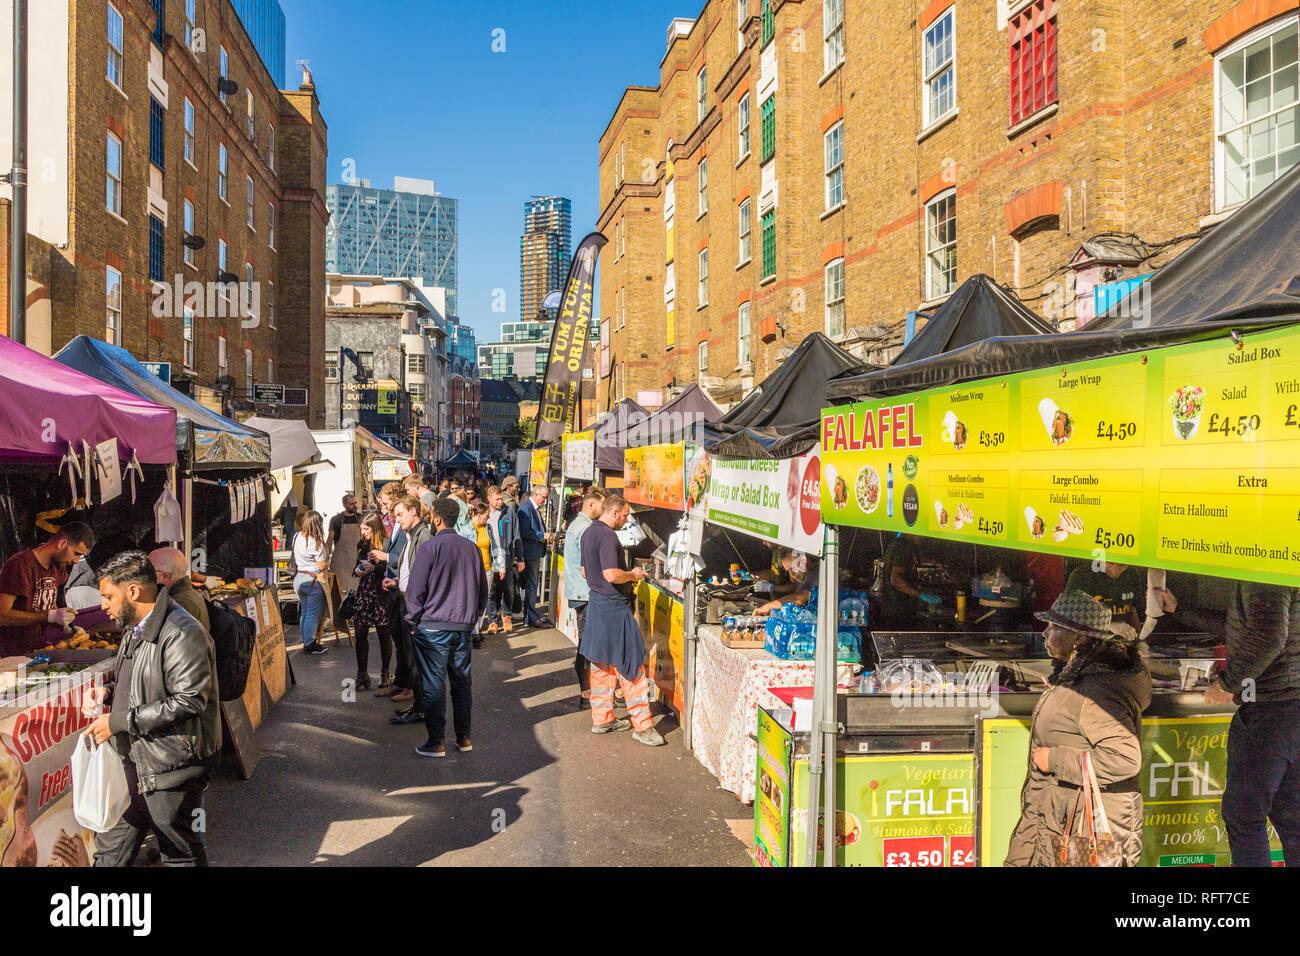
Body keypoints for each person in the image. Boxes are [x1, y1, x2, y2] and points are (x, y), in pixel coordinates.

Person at [83, 551, 221, 866]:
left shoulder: (181, 631)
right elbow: (139, 683)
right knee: (110, 853)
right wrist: (106, 693)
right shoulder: (136, 627)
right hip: (137, 763)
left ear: (133, 592)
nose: (103, 604)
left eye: (108, 596)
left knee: (179, 854)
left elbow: (189, 700)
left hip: (169, 766)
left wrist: (119, 720)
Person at [1004, 590, 1150, 867]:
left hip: (1086, 824)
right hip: (1062, 815)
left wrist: (1055, 759)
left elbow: (1124, 759)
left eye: (1055, 627)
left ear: (1079, 639)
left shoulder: (1096, 693)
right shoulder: (1076, 679)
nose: (1045, 633)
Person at [1206, 581, 1300, 866]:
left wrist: (1227, 684)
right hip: (1289, 707)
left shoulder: (1263, 566)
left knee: (1245, 815)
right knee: (1293, 817)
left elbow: (1268, 636)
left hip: (1270, 709)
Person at [578, 494, 665, 746]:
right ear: (614, 512)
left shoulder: (587, 533)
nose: (626, 520)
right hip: (613, 607)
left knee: (601, 665)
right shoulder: (606, 535)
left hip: (597, 604)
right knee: (631, 663)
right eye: (625, 515)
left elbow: (585, 571)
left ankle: (602, 719)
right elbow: (611, 574)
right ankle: (643, 726)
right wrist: (633, 574)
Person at [405, 497, 486, 757]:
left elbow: (415, 591)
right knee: (462, 683)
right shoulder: (471, 548)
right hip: (462, 626)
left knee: (434, 684)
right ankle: (464, 738)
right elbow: (482, 590)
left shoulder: (430, 548)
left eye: (431, 515)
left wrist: (412, 621)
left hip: (432, 627)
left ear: (437, 518)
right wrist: (472, 618)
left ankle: (436, 741)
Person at [0, 522, 94, 657]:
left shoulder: (58, 568)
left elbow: (49, 603)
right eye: (76, 554)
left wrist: (64, 624)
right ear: (62, 543)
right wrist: (49, 616)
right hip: (10, 655)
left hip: (36, 651)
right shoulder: (21, 564)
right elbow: (2, 615)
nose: (76, 561)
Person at [388, 496, 431, 722]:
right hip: (407, 600)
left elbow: (424, 575)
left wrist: (415, 611)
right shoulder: (411, 535)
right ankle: (418, 706)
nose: (397, 520)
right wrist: (396, 582)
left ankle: (421, 708)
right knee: (410, 655)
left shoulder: (423, 536)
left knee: (416, 658)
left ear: (413, 512)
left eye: (400, 514)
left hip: (415, 605)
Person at [563, 487, 607, 708]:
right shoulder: (585, 528)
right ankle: (586, 691)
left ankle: (587, 690)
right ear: (591, 505)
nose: (604, 510)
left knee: (586, 642)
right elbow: (586, 567)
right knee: (586, 644)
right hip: (585, 592)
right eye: (601, 506)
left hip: (580, 591)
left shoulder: (578, 525)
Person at [1065, 560, 1175, 631]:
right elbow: (1068, 617)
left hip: (1121, 643)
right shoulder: (1081, 576)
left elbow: (1133, 609)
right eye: (1110, 563)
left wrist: (1139, 640)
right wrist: (1108, 625)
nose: (1115, 569)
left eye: (1122, 565)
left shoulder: (1133, 575)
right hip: (1088, 643)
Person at [351, 512, 393, 691]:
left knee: (384, 634)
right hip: (364, 592)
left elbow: (391, 567)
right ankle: (362, 674)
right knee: (360, 633)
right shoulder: (362, 544)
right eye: (362, 529)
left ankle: (385, 672)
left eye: (366, 529)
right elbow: (356, 566)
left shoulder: (386, 543)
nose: (363, 533)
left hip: (380, 592)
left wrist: (374, 568)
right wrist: (358, 570)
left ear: (374, 528)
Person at [517, 484, 554, 629]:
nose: (545, 500)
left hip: (534, 552)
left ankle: (529, 616)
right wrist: (542, 535)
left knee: (532, 586)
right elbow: (525, 532)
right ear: (536, 495)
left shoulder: (533, 509)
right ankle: (532, 617)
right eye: (543, 497)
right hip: (530, 553)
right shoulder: (525, 509)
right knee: (532, 586)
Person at [292, 511, 330, 655]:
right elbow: (321, 566)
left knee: (305, 612)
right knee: (313, 614)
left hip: (299, 577)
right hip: (312, 579)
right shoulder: (317, 542)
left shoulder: (296, 536)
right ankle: (310, 643)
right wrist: (327, 562)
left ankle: (305, 639)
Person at [148, 547, 209, 633]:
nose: (144, 578)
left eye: (149, 572)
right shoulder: (184, 595)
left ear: (165, 576)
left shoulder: (178, 604)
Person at [486, 485, 520, 634]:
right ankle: (492, 620)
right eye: (497, 499)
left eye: (501, 499)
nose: (500, 502)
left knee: (508, 588)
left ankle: (506, 616)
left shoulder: (509, 512)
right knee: (491, 590)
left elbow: (516, 535)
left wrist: (520, 557)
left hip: (506, 556)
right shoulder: (485, 513)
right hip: (490, 557)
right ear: (489, 499)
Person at [469, 501, 498, 649]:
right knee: (473, 601)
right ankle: (473, 632)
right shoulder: (467, 530)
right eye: (486, 515)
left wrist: (499, 565)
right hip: (473, 571)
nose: (488, 518)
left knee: (483, 601)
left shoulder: (488, 528)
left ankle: (478, 628)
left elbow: (494, 547)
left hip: (487, 569)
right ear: (479, 515)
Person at [326, 493, 362, 593]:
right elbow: (329, 541)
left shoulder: (360, 518)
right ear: (344, 505)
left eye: (355, 503)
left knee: (355, 592)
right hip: (340, 563)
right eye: (351, 504)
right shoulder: (336, 520)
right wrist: (326, 559)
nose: (354, 506)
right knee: (339, 593)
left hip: (355, 561)